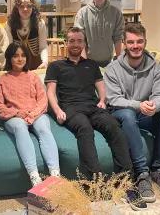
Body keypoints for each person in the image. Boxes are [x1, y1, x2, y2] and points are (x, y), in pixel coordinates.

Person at [44, 27, 146, 210]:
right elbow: (50, 92)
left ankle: (126, 182)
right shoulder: (56, 66)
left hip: (93, 107)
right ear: (65, 44)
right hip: (71, 108)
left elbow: (101, 86)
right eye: (72, 41)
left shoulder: (91, 65)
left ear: (84, 44)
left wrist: (102, 101)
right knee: (85, 129)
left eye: (79, 41)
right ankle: (95, 183)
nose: (75, 44)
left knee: (115, 127)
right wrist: (58, 110)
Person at [104, 23, 160, 203]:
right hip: (121, 113)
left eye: (139, 41)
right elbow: (114, 99)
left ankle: (158, 170)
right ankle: (142, 174)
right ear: (124, 43)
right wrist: (138, 105)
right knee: (128, 115)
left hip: (146, 113)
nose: (135, 46)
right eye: (130, 42)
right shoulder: (112, 68)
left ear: (145, 42)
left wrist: (155, 105)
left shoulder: (155, 67)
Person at [0, 43, 60, 186]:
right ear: (9, 58)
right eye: (16, 56)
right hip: (15, 117)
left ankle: (55, 174)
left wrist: (32, 115)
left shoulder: (33, 77)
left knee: (43, 129)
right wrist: (17, 113)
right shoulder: (2, 80)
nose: (20, 59)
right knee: (20, 127)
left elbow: (42, 100)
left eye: (23, 55)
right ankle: (34, 176)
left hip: (35, 113)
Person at [74, 0, 124, 68]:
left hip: (109, 62)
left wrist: (119, 60)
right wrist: (84, 62)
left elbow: (118, 37)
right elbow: (79, 39)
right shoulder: (82, 13)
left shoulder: (116, 13)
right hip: (88, 62)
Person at [4, 0, 49, 70]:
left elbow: (43, 47)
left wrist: (45, 62)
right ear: (17, 8)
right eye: (21, 6)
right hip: (16, 65)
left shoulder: (40, 23)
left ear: (33, 7)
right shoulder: (9, 24)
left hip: (36, 64)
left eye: (29, 6)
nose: (25, 9)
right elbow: (9, 48)